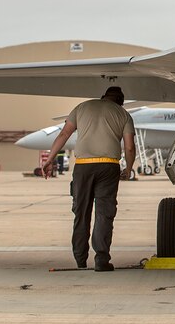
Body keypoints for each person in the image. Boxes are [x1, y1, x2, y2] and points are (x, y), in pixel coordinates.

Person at [42, 86, 135, 271]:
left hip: (83, 166)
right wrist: (129, 169)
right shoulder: (123, 114)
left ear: (103, 97)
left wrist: (50, 159)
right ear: (121, 101)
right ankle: (101, 259)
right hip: (109, 166)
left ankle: (80, 258)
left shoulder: (82, 108)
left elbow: (64, 134)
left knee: (81, 213)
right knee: (104, 214)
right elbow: (130, 147)